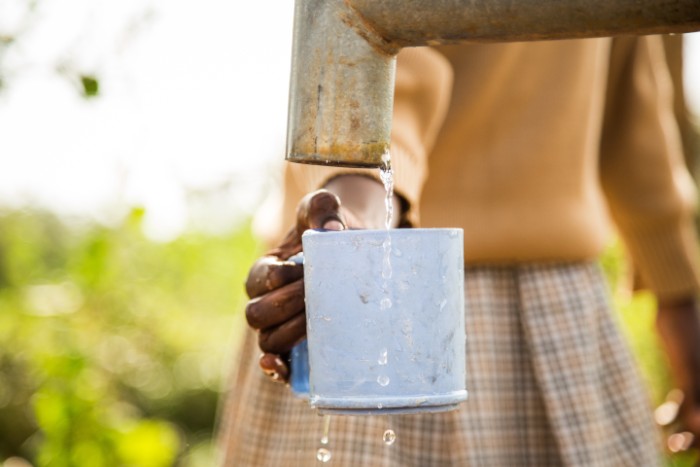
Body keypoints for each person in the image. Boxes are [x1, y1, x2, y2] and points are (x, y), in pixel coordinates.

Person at [218, 35, 700, 466]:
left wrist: (354, 215)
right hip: (467, 302)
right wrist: (354, 217)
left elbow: (630, 107)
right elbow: (638, 125)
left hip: (392, 296)